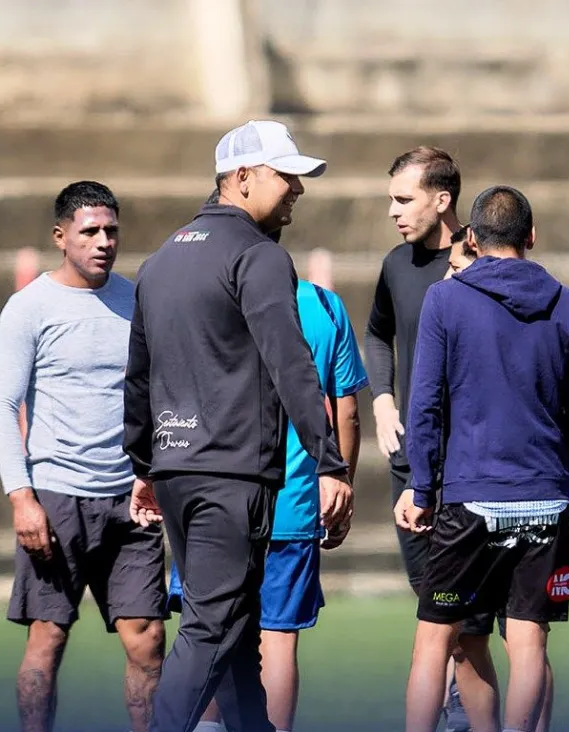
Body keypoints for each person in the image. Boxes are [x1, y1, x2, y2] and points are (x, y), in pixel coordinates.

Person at [123, 119, 353, 732]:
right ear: (242, 178)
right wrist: (330, 462)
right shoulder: (258, 255)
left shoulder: (160, 260)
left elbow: (138, 379)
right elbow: (292, 365)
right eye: (287, 177)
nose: (298, 191)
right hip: (231, 474)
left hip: (174, 470)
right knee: (211, 628)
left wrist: (143, 465)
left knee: (236, 632)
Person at [167, 190, 368, 732]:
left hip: (214, 495)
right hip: (294, 503)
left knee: (207, 627)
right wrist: (341, 482)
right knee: (277, 635)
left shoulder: (204, 296)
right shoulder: (324, 308)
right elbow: (345, 412)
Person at [397, 185, 569, 732]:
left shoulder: (446, 298)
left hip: (471, 499)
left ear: (474, 240)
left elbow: (426, 402)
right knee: (528, 640)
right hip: (546, 496)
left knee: (435, 639)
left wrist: (421, 488)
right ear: (531, 236)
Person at [0, 181, 167, 732]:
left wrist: (152, 472)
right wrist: (22, 498)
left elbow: (154, 394)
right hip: (57, 497)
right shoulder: (30, 307)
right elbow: (1, 406)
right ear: (61, 237)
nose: (103, 241)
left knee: (149, 637)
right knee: (49, 636)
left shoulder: (136, 299)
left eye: (111, 230)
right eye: (90, 231)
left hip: (130, 499)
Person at [365, 146, 497, 731]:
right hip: (412, 465)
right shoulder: (396, 265)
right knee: (431, 607)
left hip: (474, 466)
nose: (393, 211)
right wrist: (383, 398)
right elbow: (376, 335)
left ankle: (467, 715)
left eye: (403, 199)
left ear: (442, 200)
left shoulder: (487, 257)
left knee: (475, 630)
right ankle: (451, 713)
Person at [443, 224, 569, 732]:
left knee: (519, 639)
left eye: (460, 267)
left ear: (476, 244)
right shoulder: (443, 299)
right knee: (477, 637)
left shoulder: (455, 305)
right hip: (512, 492)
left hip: (478, 498)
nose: (456, 277)